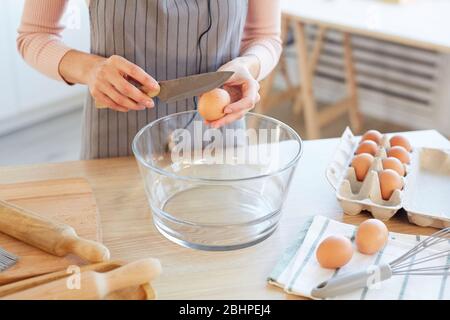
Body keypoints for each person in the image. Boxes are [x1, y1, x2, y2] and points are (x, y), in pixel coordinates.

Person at [17, 0, 281, 159]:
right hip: (117, 147)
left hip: (219, 143)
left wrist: (249, 66)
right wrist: (91, 69)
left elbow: (265, 37)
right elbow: (34, 35)